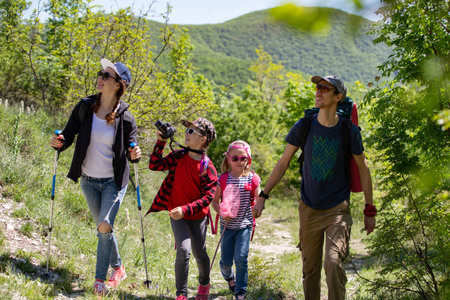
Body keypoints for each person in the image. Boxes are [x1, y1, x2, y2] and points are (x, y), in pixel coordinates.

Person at [252, 75, 376, 300]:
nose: (318, 92)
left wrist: (370, 210)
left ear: (338, 97)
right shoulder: (304, 125)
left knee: (333, 263)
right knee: (310, 271)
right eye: (317, 88)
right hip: (308, 208)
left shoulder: (349, 131)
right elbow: (283, 162)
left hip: (337, 209)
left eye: (325, 89)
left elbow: (363, 169)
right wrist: (263, 195)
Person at [50, 58, 141, 296]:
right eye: (100, 73)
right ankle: (119, 267)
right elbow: (68, 136)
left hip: (114, 181)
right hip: (89, 180)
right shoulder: (85, 107)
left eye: (106, 75)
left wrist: (135, 153)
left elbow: (133, 152)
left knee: (104, 226)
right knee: (104, 230)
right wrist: (58, 143)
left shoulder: (126, 117)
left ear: (119, 85)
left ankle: (99, 281)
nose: (100, 77)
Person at [146, 117, 218, 300]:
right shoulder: (178, 156)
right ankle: (181, 294)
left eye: (192, 131)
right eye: (187, 130)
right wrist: (160, 142)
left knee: (200, 254)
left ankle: (204, 282)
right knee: (184, 251)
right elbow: (155, 165)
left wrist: (185, 209)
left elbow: (207, 198)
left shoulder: (207, 167)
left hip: (197, 217)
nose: (186, 133)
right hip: (177, 215)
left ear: (203, 140)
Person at [211, 140, 261, 300]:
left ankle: (240, 291)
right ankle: (229, 278)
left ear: (248, 160)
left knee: (241, 258)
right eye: (235, 158)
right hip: (227, 226)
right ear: (228, 159)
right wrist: (221, 211)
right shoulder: (223, 179)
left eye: (243, 159)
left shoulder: (253, 179)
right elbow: (214, 201)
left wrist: (258, 207)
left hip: (244, 226)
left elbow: (259, 198)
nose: (239, 161)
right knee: (225, 262)